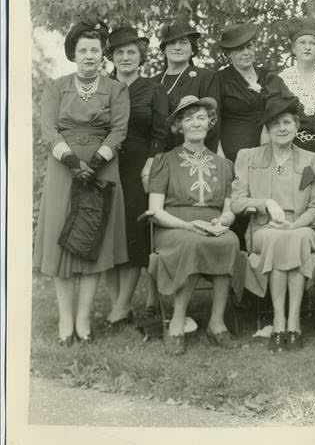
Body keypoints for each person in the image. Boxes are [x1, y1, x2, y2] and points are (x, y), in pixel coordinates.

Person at [33, 18, 130, 344]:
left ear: (103, 54)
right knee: (63, 239)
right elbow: (49, 130)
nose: (89, 55)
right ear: (73, 53)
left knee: (94, 243)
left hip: (102, 168)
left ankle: (84, 321)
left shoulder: (116, 89)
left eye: (95, 50)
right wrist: (73, 161)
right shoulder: (56, 87)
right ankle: (65, 322)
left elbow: (119, 129)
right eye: (83, 50)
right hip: (64, 169)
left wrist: (97, 160)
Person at [147, 96, 244, 355]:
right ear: (179, 126)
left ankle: (217, 322)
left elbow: (228, 209)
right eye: (188, 119)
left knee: (229, 241)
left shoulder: (224, 165)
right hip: (173, 229)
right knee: (192, 243)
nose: (195, 123)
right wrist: (188, 226)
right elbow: (155, 211)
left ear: (209, 123)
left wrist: (223, 221)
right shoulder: (164, 161)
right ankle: (177, 322)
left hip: (211, 225)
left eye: (201, 117)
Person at [231, 96, 315, 352]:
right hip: (264, 228)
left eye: (287, 123)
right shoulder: (248, 156)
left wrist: (294, 226)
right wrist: (265, 203)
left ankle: (289, 321)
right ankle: (281, 320)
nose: (282, 129)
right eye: (275, 124)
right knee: (276, 238)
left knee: (294, 238)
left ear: (296, 127)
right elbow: (237, 203)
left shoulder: (312, 161)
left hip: (301, 227)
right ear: (267, 130)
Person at [104, 26, 169, 330]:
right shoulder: (101, 86)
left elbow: (161, 132)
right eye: (120, 52)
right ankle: (122, 303)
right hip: (104, 165)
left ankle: (119, 309)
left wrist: (150, 164)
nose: (126, 57)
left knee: (132, 233)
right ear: (112, 58)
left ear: (140, 56)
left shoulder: (153, 89)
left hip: (138, 168)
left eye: (131, 52)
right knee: (106, 233)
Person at [217, 22, 296, 164]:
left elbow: (283, 110)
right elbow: (213, 122)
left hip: (270, 152)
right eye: (239, 49)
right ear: (228, 53)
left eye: (249, 47)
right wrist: (220, 159)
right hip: (233, 155)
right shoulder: (219, 80)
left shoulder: (269, 77)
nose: (246, 53)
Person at [153, 21, 221, 152]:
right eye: (172, 43)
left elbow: (213, 123)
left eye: (183, 42)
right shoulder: (152, 82)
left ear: (193, 49)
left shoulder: (206, 78)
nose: (177, 47)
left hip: (194, 153)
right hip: (157, 155)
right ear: (164, 49)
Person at [280, 17, 315, 155]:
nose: (307, 47)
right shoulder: (280, 81)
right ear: (293, 48)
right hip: (288, 151)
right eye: (302, 42)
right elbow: (268, 128)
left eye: (313, 43)